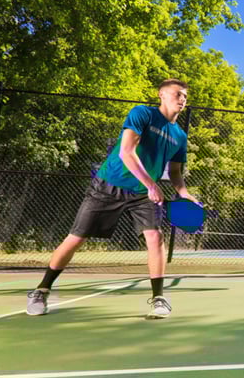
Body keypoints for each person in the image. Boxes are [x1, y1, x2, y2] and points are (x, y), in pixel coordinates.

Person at [26, 79, 199, 319]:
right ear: (161, 94)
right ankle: (41, 290)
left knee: (155, 237)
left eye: (185, 96)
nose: (182, 99)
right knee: (76, 238)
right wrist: (151, 184)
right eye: (177, 94)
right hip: (109, 185)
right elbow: (126, 151)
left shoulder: (179, 136)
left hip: (143, 195)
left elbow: (176, 172)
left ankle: (158, 298)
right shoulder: (143, 114)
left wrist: (184, 193)